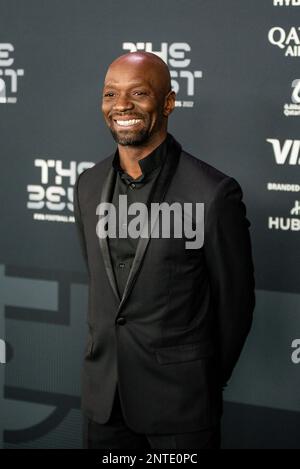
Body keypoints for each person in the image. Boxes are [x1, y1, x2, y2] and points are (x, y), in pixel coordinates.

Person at [73, 51, 255, 449]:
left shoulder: (212, 193)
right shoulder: (87, 185)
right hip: (105, 402)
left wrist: (198, 376)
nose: (121, 105)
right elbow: (102, 285)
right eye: (110, 94)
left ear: (168, 102)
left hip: (180, 408)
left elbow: (234, 306)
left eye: (138, 92)